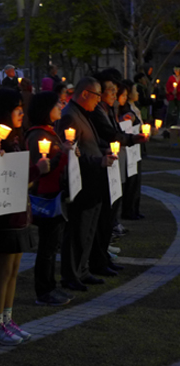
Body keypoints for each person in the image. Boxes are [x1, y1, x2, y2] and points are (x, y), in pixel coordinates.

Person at [0, 88, 49, 346]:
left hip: (20, 212)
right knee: (2, 270)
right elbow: (7, 177)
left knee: (13, 270)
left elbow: (23, 180)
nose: (22, 113)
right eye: (17, 109)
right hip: (3, 214)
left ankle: (7, 319)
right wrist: (36, 170)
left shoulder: (17, 139)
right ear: (4, 111)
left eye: (23, 109)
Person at [54, 77, 117, 292]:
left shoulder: (83, 114)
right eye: (97, 95)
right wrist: (98, 160)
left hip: (94, 180)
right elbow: (71, 155)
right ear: (85, 94)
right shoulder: (70, 116)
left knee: (89, 228)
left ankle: (82, 269)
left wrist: (103, 151)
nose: (99, 101)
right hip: (81, 181)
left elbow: (89, 144)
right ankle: (70, 274)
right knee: (78, 229)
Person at [88, 72, 146, 277]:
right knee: (103, 217)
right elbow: (109, 134)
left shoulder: (106, 109)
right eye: (110, 90)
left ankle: (103, 258)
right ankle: (98, 260)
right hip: (101, 166)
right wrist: (132, 139)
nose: (114, 94)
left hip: (110, 164)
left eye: (115, 90)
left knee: (108, 215)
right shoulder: (96, 111)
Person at [25, 91, 76, 306]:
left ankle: (50, 286)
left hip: (54, 193)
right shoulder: (38, 135)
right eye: (57, 104)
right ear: (46, 109)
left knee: (51, 245)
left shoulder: (49, 132)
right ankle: (43, 291)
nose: (61, 106)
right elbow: (42, 170)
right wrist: (63, 153)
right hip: (46, 196)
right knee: (47, 247)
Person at [119, 80, 144, 220]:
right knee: (130, 180)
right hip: (128, 147)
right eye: (135, 90)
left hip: (135, 146)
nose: (138, 93)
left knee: (136, 179)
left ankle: (135, 208)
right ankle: (129, 210)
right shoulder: (124, 110)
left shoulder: (132, 107)